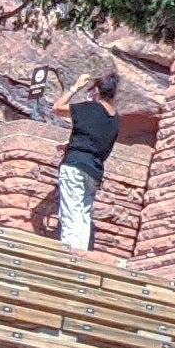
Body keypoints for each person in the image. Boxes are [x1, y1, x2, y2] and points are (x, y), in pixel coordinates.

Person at [52, 67, 122, 251]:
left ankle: (69, 255)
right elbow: (98, 143)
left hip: (75, 164)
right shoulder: (115, 119)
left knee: (70, 212)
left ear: (97, 91)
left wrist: (75, 87)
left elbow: (57, 108)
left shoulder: (90, 108)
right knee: (83, 213)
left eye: (91, 89)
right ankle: (81, 253)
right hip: (95, 169)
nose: (90, 92)